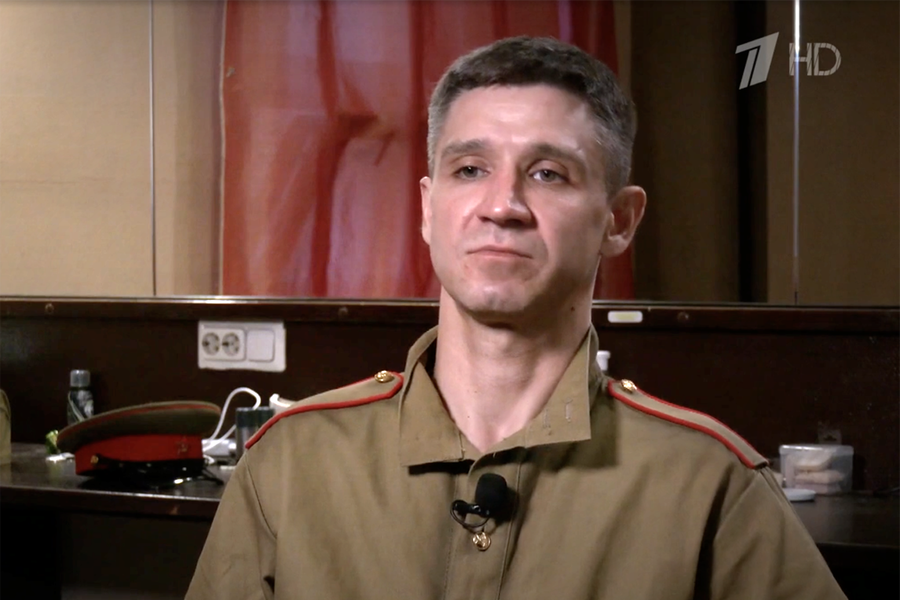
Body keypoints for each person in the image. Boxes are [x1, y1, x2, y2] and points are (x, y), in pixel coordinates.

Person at [186, 36, 846, 599]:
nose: (502, 205)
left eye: (549, 174)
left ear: (619, 220)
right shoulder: (290, 465)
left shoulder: (711, 485)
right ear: (428, 208)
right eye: (470, 169)